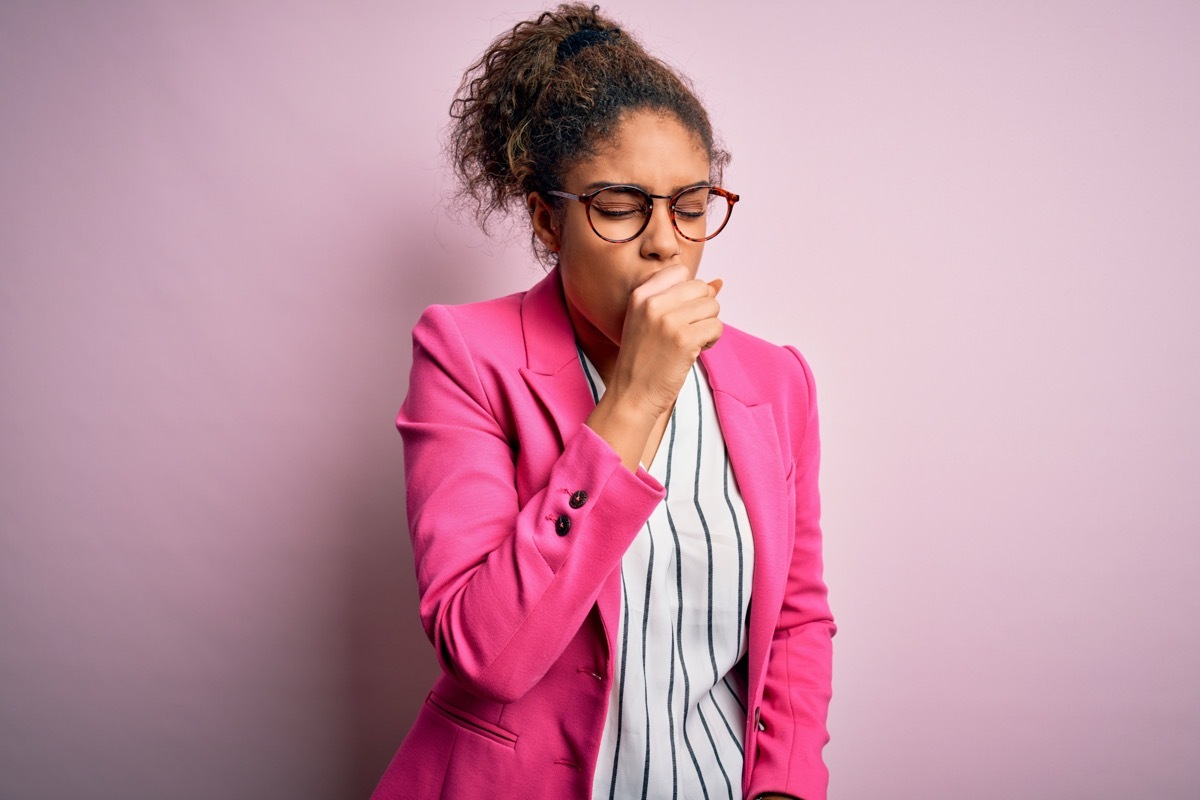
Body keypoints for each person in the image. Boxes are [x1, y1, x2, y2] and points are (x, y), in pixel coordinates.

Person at [371, 5, 834, 799]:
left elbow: (794, 620)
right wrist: (636, 397)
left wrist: (787, 787)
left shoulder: (776, 381)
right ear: (548, 219)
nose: (664, 242)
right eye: (621, 207)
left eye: (690, 206)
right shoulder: (464, 355)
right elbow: (487, 653)